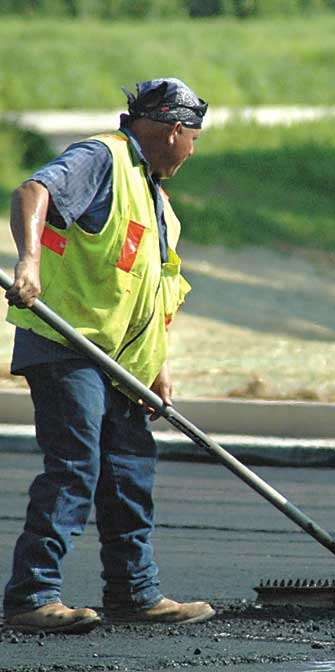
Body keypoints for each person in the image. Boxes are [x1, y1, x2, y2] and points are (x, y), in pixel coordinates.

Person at [3, 78, 215, 633]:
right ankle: (32, 595)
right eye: (193, 138)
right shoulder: (103, 157)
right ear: (175, 130)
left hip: (122, 364)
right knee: (75, 468)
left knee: (127, 474)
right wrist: (29, 263)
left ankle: (134, 592)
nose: (193, 151)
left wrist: (160, 366)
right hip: (67, 342)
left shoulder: (158, 203)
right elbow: (32, 192)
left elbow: (155, 294)